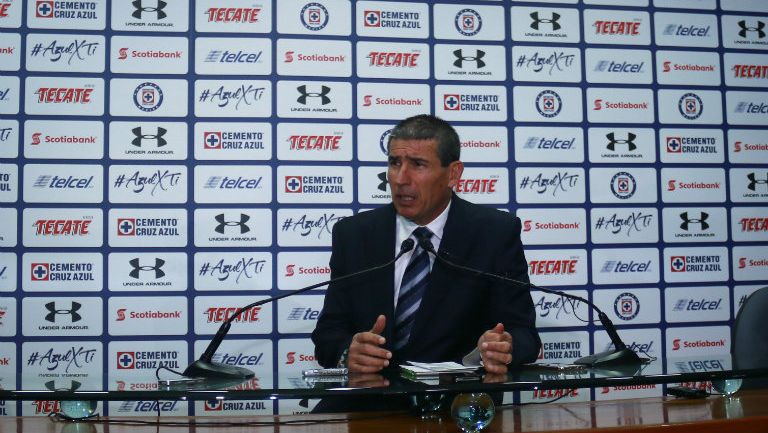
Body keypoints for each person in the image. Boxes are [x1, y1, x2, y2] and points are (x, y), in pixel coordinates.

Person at [311, 114, 540, 376]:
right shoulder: (354, 234)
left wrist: (504, 347)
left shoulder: (493, 234)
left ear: (453, 173)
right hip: (370, 401)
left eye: (418, 164)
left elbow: (526, 336)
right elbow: (328, 335)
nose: (400, 178)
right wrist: (347, 352)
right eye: (394, 163)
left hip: (458, 403)